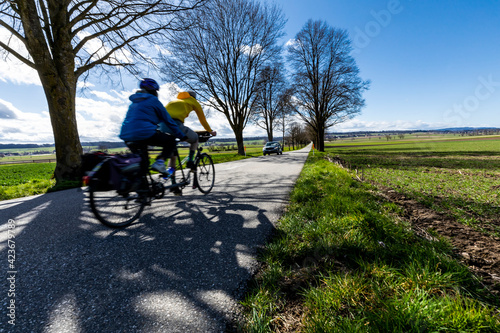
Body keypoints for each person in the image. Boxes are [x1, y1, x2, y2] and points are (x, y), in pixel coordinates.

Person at [119, 78, 187, 177]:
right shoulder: (153, 100)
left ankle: (141, 188)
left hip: (126, 135)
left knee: (143, 164)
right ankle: (160, 162)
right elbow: (168, 121)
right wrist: (181, 135)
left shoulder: (134, 103)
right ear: (154, 91)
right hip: (144, 133)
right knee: (171, 141)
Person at [159, 91, 216, 190]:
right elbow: (202, 119)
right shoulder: (193, 102)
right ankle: (190, 161)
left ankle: (173, 184)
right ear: (194, 97)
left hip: (162, 127)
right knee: (195, 139)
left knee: (173, 155)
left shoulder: (174, 101)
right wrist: (210, 131)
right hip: (176, 125)